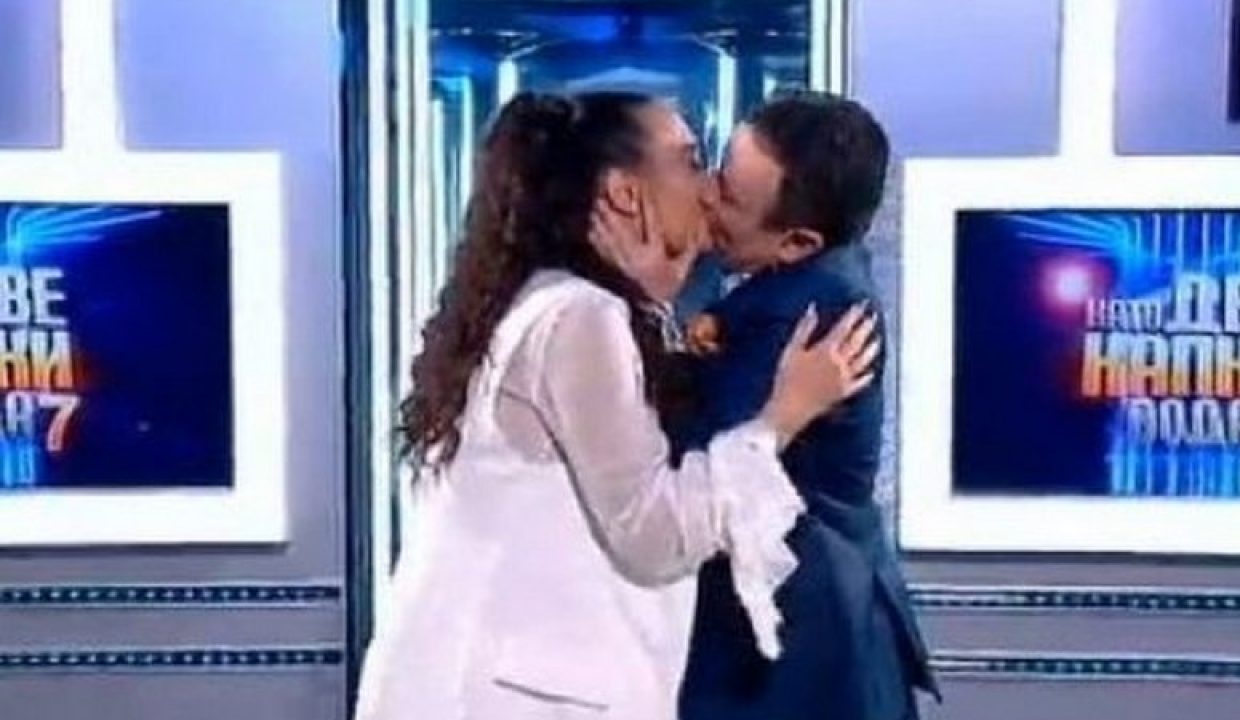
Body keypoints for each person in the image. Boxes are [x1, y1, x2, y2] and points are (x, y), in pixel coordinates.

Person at [353, 91, 880, 720]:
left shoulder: (561, 302)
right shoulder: (582, 315)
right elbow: (654, 534)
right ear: (625, 194)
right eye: (691, 161)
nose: (708, 190)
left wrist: (652, 301)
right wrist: (781, 417)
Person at [678, 91, 939, 720]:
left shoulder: (810, 314)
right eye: (717, 170)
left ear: (797, 242)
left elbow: (697, 466)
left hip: (802, 645)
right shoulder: (806, 273)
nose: (705, 195)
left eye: (729, 196)